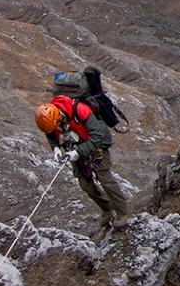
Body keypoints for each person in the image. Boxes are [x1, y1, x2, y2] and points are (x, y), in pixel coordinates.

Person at [34, 95, 129, 230]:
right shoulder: (51, 119)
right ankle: (107, 209)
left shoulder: (81, 110)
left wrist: (79, 152)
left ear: (58, 117)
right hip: (74, 146)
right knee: (86, 184)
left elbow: (98, 136)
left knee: (105, 179)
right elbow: (50, 134)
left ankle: (122, 212)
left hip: (95, 145)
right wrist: (55, 147)